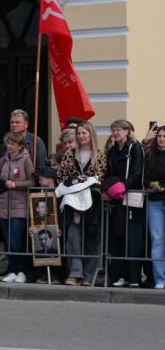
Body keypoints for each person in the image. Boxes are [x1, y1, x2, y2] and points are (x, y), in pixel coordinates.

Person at [57, 120, 106, 286]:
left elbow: (101, 178)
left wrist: (89, 181)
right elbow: (61, 176)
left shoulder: (99, 155)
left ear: (91, 134)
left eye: (84, 133)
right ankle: (75, 273)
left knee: (91, 239)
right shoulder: (70, 154)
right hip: (72, 203)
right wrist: (75, 180)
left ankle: (88, 275)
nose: (81, 136)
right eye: (79, 133)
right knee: (72, 237)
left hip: (92, 203)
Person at [0, 132, 36, 284]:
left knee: (16, 241)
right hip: (3, 205)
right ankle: (13, 271)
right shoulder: (2, 160)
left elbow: (32, 182)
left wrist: (16, 184)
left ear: (20, 146)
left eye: (13, 143)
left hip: (19, 206)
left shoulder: (26, 160)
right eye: (7, 143)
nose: (9, 146)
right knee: (8, 243)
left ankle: (22, 271)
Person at [105, 119, 146, 287]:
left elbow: (137, 172)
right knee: (117, 237)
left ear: (127, 131)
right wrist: (109, 190)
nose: (115, 132)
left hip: (132, 199)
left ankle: (134, 277)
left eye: (119, 129)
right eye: (113, 129)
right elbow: (108, 173)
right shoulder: (113, 151)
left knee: (133, 238)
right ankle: (120, 275)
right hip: (116, 200)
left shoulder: (135, 148)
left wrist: (122, 186)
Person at [144, 125, 165, 289]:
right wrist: (150, 183)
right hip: (155, 202)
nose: (161, 139)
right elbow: (143, 177)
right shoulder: (150, 155)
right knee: (157, 240)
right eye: (159, 136)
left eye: (164, 136)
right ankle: (160, 279)